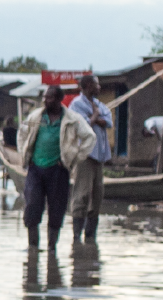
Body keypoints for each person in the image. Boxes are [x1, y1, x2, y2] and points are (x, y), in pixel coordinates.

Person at [18, 87, 96, 251]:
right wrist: (25, 156)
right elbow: (22, 133)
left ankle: (51, 249)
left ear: (59, 99)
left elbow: (90, 137)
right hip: (35, 169)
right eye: (45, 98)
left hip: (58, 171)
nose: (46, 101)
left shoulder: (72, 119)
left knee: (56, 209)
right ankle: (33, 248)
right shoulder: (36, 117)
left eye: (50, 98)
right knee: (32, 205)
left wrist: (74, 158)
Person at [68, 76, 114, 243]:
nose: (99, 87)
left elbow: (108, 122)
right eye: (96, 84)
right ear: (88, 86)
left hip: (99, 155)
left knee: (98, 194)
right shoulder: (76, 104)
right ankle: (76, 237)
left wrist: (94, 118)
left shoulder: (100, 105)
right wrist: (94, 117)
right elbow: (79, 125)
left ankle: (90, 236)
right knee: (82, 193)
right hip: (85, 154)